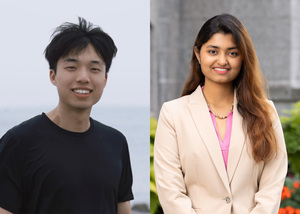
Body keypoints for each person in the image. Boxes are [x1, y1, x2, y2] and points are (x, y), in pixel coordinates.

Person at [154, 14, 287, 214]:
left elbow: (272, 186)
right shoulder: (173, 114)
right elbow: (171, 192)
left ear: (243, 58)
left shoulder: (266, 113)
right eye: (213, 51)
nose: (222, 60)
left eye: (232, 53)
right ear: (198, 54)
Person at [0, 17, 133, 214]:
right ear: (53, 76)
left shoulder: (116, 142)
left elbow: (122, 209)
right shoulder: (19, 142)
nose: (83, 77)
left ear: (105, 79)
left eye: (94, 69)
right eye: (71, 67)